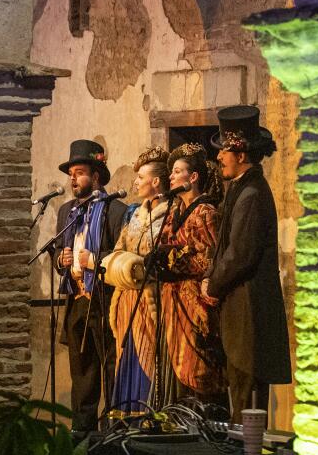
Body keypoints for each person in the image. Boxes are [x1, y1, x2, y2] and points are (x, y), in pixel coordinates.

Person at [203, 105, 291, 419]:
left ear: (240, 154)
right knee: (239, 401)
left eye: (223, 151)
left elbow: (240, 254)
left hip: (249, 314)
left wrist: (212, 285)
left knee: (246, 405)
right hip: (239, 311)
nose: (218, 158)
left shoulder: (251, 194)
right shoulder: (241, 189)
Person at [54, 139, 128, 438]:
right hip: (78, 301)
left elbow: (123, 257)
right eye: (71, 173)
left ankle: (112, 434)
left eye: (80, 172)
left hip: (105, 302)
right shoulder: (65, 212)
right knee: (82, 373)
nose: (73, 179)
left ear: (96, 175)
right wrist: (62, 258)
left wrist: (92, 260)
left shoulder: (116, 210)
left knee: (110, 368)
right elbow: (58, 251)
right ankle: (81, 435)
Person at [152, 142, 226, 407]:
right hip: (173, 301)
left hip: (196, 304)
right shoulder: (173, 212)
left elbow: (211, 260)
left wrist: (174, 258)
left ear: (193, 177)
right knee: (179, 369)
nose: (170, 177)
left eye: (176, 172)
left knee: (200, 372)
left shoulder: (206, 212)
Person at [103, 146, 170, 415]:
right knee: (127, 359)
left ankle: (148, 420)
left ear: (156, 181)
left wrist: (137, 265)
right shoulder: (134, 214)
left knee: (149, 361)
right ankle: (125, 422)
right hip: (128, 300)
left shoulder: (170, 213)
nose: (136, 183)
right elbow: (119, 248)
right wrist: (122, 265)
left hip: (152, 300)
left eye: (141, 178)